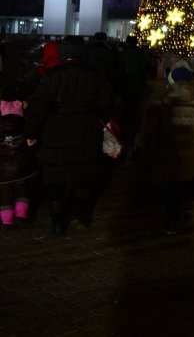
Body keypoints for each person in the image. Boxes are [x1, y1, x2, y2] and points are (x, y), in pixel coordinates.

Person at [24, 35, 115, 236]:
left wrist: (31, 133)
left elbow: (39, 108)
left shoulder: (51, 75)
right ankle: (80, 216)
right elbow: (106, 102)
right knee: (84, 176)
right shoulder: (95, 75)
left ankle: (57, 221)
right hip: (86, 132)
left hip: (55, 135)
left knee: (55, 179)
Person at [133, 65, 194, 235]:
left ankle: (171, 221)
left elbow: (147, 129)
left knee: (170, 189)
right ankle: (189, 209)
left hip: (167, 153)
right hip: (191, 153)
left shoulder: (160, 104)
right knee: (189, 184)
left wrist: (139, 145)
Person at [0, 84, 38, 228]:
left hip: (2, 166)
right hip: (20, 161)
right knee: (22, 186)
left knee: (4, 192)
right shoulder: (21, 110)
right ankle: (21, 214)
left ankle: (7, 221)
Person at [115, 34, 152, 158]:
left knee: (127, 101)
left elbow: (118, 68)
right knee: (135, 102)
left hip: (125, 82)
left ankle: (127, 118)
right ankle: (134, 118)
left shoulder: (123, 54)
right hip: (136, 82)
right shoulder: (140, 54)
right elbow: (145, 67)